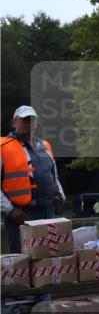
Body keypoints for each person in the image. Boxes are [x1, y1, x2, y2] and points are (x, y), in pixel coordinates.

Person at [1, 106, 65, 253]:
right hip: (20, 214)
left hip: (48, 211)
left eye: (31, 120)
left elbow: (53, 175)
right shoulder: (2, 147)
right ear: (13, 122)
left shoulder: (45, 146)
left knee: (48, 255)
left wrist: (60, 194)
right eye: (24, 120)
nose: (28, 123)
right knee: (21, 258)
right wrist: (9, 210)